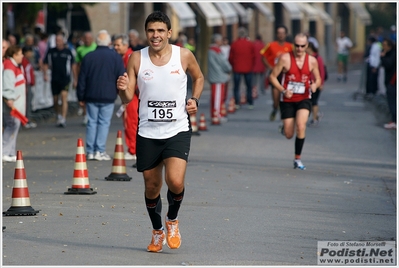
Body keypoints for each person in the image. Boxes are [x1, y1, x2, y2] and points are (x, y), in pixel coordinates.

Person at [117, 11, 204, 253]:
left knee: (175, 182)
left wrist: (194, 99)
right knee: (151, 186)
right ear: (147, 33)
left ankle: (172, 220)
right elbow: (127, 98)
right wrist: (122, 89)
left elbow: (198, 77)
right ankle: (157, 231)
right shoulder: (136, 58)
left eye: (159, 31)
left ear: (168, 33)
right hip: (148, 131)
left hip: (177, 128)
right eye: (151, 31)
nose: (155, 35)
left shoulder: (183, 55)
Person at [269, 33, 321, 170]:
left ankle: (297, 158)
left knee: (301, 125)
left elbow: (318, 78)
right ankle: (284, 127)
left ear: (307, 46)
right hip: (287, 99)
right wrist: (283, 90)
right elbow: (272, 77)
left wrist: (315, 85)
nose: (299, 49)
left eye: (302, 46)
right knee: (289, 134)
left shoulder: (311, 61)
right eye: (296, 46)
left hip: (304, 98)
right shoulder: (285, 59)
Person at [77, 30, 125, 161]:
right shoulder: (115, 57)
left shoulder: (88, 57)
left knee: (91, 122)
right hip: (108, 95)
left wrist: (80, 96)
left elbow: (82, 79)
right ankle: (100, 150)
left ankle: (90, 151)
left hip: (91, 95)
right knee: (104, 123)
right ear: (109, 42)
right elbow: (121, 76)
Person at [113, 33, 139, 163]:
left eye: (118, 45)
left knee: (131, 122)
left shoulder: (129, 57)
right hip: (131, 94)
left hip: (132, 95)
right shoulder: (127, 57)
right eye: (115, 45)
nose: (115, 47)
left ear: (125, 45)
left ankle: (133, 150)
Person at [43, 34, 77, 127]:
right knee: (55, 100)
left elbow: (73, 65)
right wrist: (45, 74)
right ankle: (58, 115)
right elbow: (45, 63)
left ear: (63, 41)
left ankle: (63, 118)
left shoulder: (68, 52)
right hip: (54, 79)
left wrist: (75, 79)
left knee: (63, 97)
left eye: (59, 40)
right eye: (56, 40)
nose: (58, 42)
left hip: (65, 78)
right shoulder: (51, 51)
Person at [260, 25, 293, 121]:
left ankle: (286, 114)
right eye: (279, 33)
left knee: (287, 97)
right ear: (276, 34)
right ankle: (275, 108)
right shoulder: (270, 45)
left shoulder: (290, 47)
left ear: (286, 34)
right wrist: (269, 66)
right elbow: (263, 56)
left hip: (286, 74)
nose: (281, 35)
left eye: (283, 33)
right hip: (275, 74)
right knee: (276, 99)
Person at [2, 45, 26, 162]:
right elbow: (7, 84)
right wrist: (9, 98)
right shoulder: (9, 67)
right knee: (11, 125)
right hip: (12, 104)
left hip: (17, 103)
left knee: (14, 126)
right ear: (14, 55)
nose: (22, 56)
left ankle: (10, 152)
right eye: (20, 54)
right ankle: (4, 151)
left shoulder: (15, 66)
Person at [208, 33, 232, 124]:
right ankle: (217, 115)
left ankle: (214, 114)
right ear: (217, 41)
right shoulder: (216, 50)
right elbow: (223, 62)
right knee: (218, 98)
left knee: (215, 97)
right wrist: (229, 69)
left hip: (214, 75)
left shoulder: (210, 50)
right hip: (218, 77)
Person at [229, 27, 255, 109]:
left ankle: (237, 102)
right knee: (248, 86)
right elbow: (254, 56)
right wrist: (251, 65)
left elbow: (231, 57)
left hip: (237, 67)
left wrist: (233, 64)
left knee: (236, 86)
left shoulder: (234, 44)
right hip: (248, 67)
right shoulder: (250, 44)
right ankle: (250, 102)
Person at [75, 31, 97, 124]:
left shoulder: (96, 47)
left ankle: (92, 115)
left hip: (94, 76)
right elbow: (77, 64)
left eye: (89, 38)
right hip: (84, 76)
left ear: (92, 39)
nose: (87, 40)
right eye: (86, 38)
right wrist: (76, 78)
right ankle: (85, 115)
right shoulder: (80, 49)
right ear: (83, 39)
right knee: (84, 96)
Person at [306, 42, 325, 127]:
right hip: (307, 83)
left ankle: (314, 119)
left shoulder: (317, 57)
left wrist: (321, 83)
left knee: (314, 101)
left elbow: (322, 71)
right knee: (308, 101)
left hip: (315, 83)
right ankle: (316, 114)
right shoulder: (305, 57)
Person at [380, 38, 396, 129]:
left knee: (392, 101)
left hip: (392, 81)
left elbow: (389, 65)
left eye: (385, 45)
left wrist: (382, 57)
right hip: (390, 80)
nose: (383, 47)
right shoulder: (389, 54)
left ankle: (394, 121)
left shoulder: (393, 54)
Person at [21, 46, 38, 129]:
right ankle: (25, 120)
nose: (31, 54)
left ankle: (27, 119)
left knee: (29, 103)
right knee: (26, 104)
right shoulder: (23, 62)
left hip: (29, 84)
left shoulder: (28, 61)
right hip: (25, 85)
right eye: (29, 52)